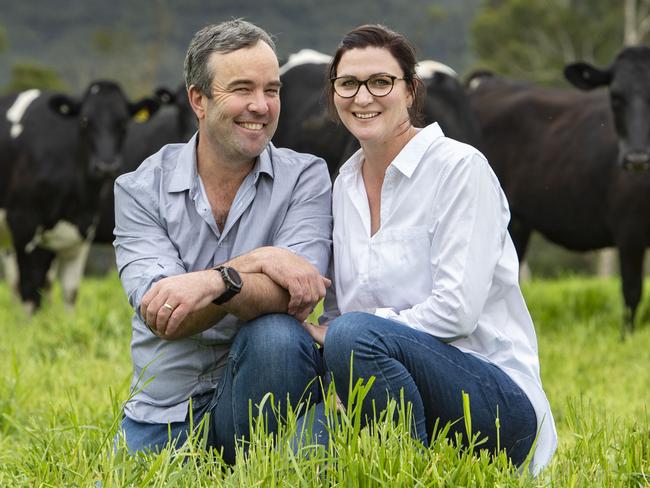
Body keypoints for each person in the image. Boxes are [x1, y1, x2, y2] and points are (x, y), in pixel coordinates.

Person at [301, 24, 557, 474]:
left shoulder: (460, 169)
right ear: (333, 93)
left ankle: (407, 473)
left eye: (381, 82)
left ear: (411, 91)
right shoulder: (343, 185)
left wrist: (355, 334)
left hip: (495, 399)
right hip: (385, 381)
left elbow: (455, 312)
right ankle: (393, 462)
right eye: (348, 83)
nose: (363, 97)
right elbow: (341, 310)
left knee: (354, 335)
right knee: (299, 456)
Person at [113, 20, 332, 464]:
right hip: (166, 411)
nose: (261, 106)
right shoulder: (138, 189)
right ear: (198, 98)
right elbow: (167, 317)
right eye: (242, 89)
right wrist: (259, 260)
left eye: (272, 90)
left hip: (261, 394)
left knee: (276, 334)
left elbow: (295, 297)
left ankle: (256, 458)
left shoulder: (305, 177)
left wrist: (213, 284)